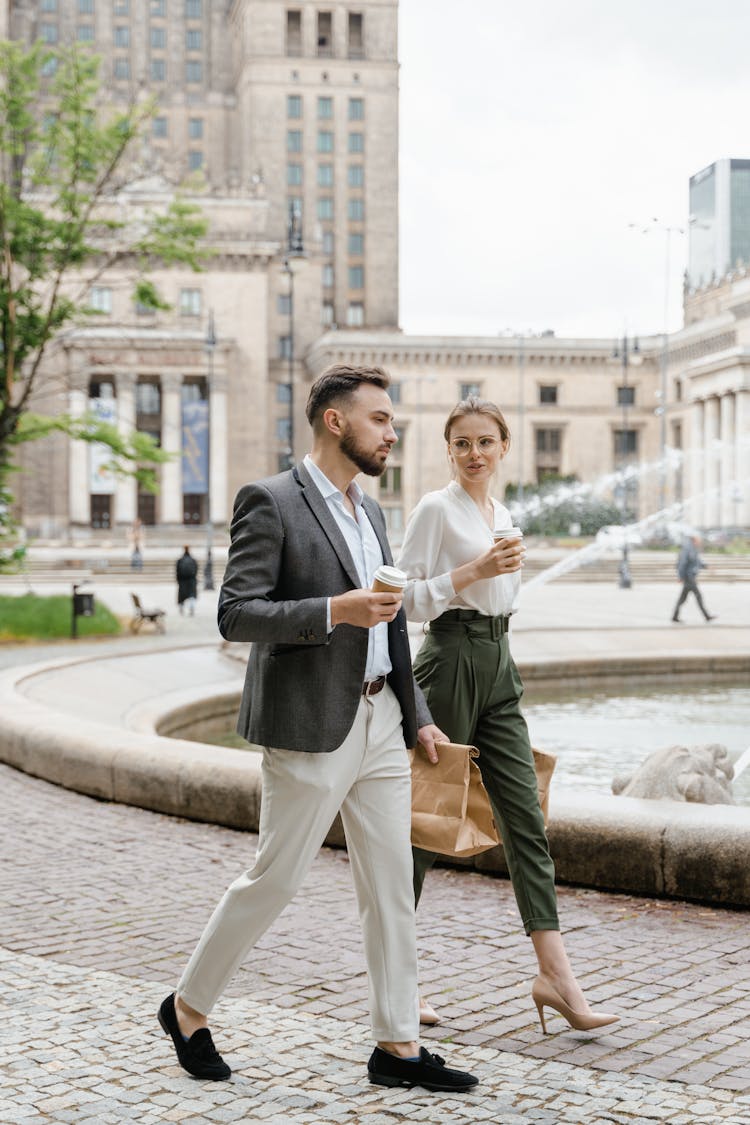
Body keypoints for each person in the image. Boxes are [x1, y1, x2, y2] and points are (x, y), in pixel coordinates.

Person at [157, 365, 478, 1093]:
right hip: (307, 723)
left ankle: (396, 1046)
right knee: (275, 878)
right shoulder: (269, 500)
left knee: (393, 884)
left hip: (382, 717)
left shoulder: (373, 512)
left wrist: (417, 715)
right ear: (336, 422)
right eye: (381, 420)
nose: (393, 433)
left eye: (392, 422)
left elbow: (390, 621)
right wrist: (336, 609)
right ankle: (187, 1007)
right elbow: (237, 613)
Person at [397, 395, 619, 1036]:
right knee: (425, 829)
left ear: (503, 448)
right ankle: (398, 980)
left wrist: (494, 576)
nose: (474, 453)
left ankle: (556, 977)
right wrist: (471, 572)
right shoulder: (435, 509)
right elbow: (404, 601)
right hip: (449, 660)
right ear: (448, 449)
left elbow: (505, 593)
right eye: (462, 442)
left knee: (527, 818)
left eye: (485, 442)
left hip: (500, 663)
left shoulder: (506, 513)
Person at [672, 533, 716, 623]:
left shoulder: (694, 549)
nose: (700, 542)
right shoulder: (687, 549)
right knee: (698, 596)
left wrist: (707, 567)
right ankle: (706, 616)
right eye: (698, 540)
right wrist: (680, 576)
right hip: (689, 577)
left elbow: (698, 562)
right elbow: (682, 564)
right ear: (694, 540)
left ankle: (675, 616)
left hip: (691, 577)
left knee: (682, 598)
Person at [176, 546, 198, 615]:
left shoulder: (180, 560)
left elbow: (177, 571)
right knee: (192, 595)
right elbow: (196, 570)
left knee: (182, 596)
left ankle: (181, 609)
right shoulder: (193, 560)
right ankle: (191, 608)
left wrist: (178, 580)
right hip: (191, 580)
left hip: (182, 581)